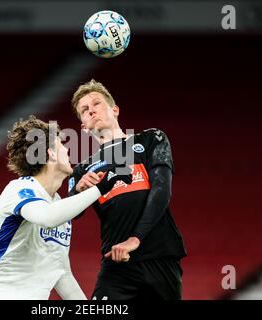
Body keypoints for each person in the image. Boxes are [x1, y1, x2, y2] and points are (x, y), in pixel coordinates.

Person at [0, 116, 131, 300]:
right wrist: (101, 188)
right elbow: (48, 217)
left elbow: (61, 272)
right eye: (61, 144)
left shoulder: (58, 204)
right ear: (50, 153)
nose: (67, 149)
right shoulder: (19, 189)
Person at [68, 79, 187, 300]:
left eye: (97, 104)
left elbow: (162, 190)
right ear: (84, 128)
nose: (91, 111)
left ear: (115, 110)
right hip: (116, 261)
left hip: (159, 256)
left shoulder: (152, 139)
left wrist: (136, 238)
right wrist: (78, 192)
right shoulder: (83, 170)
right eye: (85, 110)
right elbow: (69, 215)